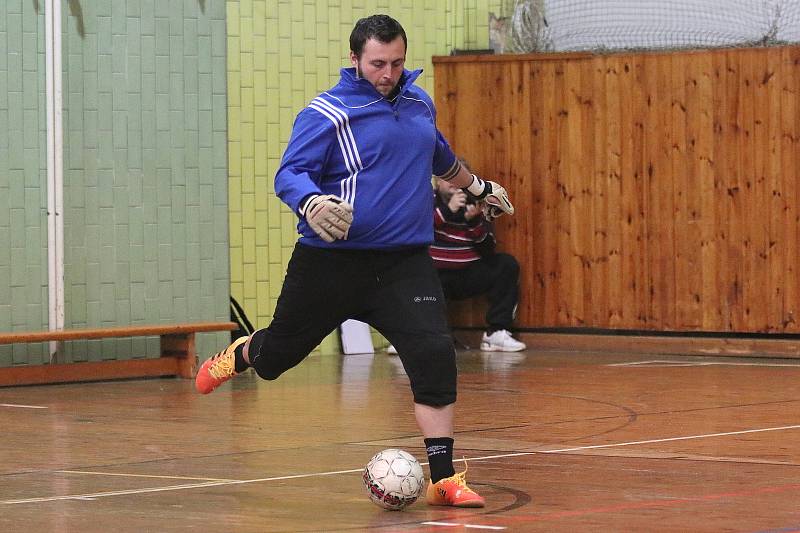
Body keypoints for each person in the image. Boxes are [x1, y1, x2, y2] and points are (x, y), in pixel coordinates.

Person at [194, 14, 514, 508]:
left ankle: (445, 478)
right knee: (278, 359)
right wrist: (312, 203)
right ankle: (243, 353)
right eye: (378, 63)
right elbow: (290, 173)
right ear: (355, 60)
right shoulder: (326, 113)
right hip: (331, 262)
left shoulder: (418, 103)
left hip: (404, 262)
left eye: (397, 62)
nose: (388, 73)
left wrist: (479, 189)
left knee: (433, 356)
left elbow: (440, 158)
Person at [430, 172, 526, 352]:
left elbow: (488, 249)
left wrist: (474, 222)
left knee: (506, 264)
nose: (454, 183)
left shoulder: (477, 204)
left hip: (467, 273)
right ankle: (421, 337)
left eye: (458, 179)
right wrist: (447, 211)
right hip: (435, 274)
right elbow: (418, 229)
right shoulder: (427, 201)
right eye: (447, 178)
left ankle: (496, 333)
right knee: (412, 272)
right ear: (437, 182)